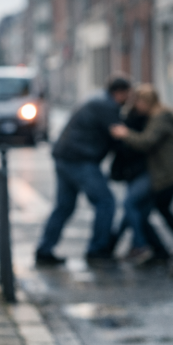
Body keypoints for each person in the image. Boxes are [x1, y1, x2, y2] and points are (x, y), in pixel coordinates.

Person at [35, 76, 131, 264]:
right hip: (80, 159)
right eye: (128, 94)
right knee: (106, 202)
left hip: (65, 156)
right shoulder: (107, 106)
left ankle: (44, 250)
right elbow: (118, 137)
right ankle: (98, 249)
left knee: (64, 206)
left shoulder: (97, 99)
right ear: (120, 93)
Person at [110, 84, 173, 261]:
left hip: (167, 174)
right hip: (165, 172)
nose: (137, 107)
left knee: (145, 209)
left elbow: (147, 141)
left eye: (138, 103)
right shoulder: (156, 117)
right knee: (155, 210)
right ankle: (169, 249)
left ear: (146, 102)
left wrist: (125, 134)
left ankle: (159, 248)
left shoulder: (160, 118)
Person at [108, 107, 170, 262]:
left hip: (150, 173)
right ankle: (159, 250)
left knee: (131, 206)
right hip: (139, 173)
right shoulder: (137, 118)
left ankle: (141, 246)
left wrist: (126, 135)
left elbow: (144, 143)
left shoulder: (154, 121)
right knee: (138, 213)